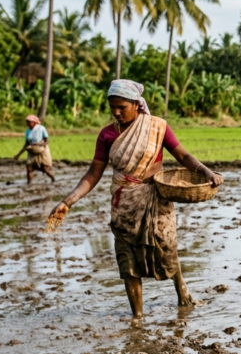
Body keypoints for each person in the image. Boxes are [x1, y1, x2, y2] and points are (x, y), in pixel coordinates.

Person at [47, 80, 223, 318]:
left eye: (122, 107)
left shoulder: (157, 127)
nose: (116, 112)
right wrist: (68, 201)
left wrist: (205, 171)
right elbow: (93, 173)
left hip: (155, 200)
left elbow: (182, 155)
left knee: (166, 247)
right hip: (124, 204)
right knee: (127, 259)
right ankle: (137, 317)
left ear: (137, 105)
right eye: (113, 108)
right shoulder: (107, 135)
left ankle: (183, 294)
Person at [14, 115, 55, 184]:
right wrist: (18, 154)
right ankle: (29, 183)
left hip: (42, 150)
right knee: (29, 167)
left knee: (46, 169)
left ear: (34, 122)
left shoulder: (41, 128)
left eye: (29, 122)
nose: (27, 123)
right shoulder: (27, 132)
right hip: (32, 151)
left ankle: (53, 180)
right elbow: (26, 144)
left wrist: (41, 145)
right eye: (27, 122)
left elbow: (47, 140)